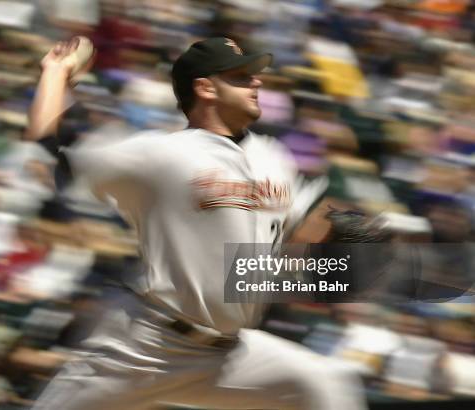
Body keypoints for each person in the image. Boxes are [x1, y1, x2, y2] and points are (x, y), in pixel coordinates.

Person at [26, 37, 367, 410]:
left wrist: (343, 238)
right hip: (146, 347)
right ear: (205, 88)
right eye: (240, 77)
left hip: (230, 354)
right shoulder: (161, 154)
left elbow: (303, 231)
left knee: (328, 383)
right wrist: (56, 74)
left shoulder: (273, 158)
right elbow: (51, 156)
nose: (256, 82)